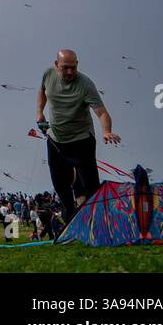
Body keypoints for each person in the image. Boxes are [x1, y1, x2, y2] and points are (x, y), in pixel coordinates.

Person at [37, 49, 120, 223]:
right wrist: (40, 112)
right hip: (56, 141)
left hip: (81, 141)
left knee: (91, 188)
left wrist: (106, 131)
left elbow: (102, 113)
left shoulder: (85, 85)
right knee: (61, 186)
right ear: (56, 65)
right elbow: (42, 91)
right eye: (65, 68)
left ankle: (99, 223)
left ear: (77, 64)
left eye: (73, 68)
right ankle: (72, 223)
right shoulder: (48, 74)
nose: (69, 72)